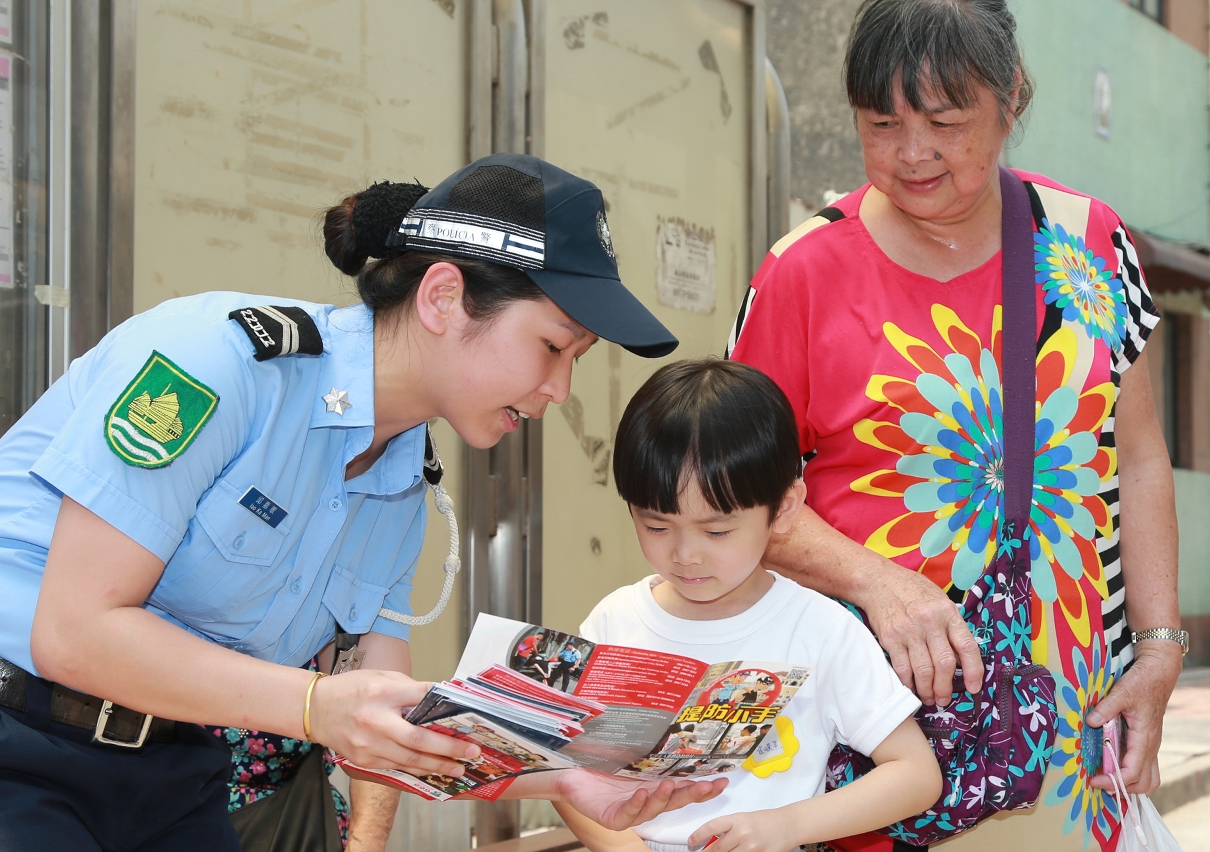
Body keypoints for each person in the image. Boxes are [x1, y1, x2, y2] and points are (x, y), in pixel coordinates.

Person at [0, 153, 728, 851]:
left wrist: (573, 781)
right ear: (444, 297)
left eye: (578, 361)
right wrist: (316, 707)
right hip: (20, 741)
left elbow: (388, 721)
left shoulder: (401, 481)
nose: (559, 391)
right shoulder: (215, 364)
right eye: (551, 346)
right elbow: (73, 631)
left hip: (172, 770)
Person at [727, 2, 1185, 849]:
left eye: (945, 120)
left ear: (1011, 96)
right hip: (877, 739)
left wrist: (1158, 649)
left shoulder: (1089, 241)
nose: (912, 153)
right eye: (882, 123)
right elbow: (723, 496)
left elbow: (1141, 456)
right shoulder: (800, 276)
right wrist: (876, 581)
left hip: (1074, 734)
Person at [555, 359, 942, 852]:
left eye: (716, 531)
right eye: (656, 525)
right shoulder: (614, 622)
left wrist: (786, 826)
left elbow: (914, 775)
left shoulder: (818, 628)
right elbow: (566, 772)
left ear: (783, 508)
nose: (685, 553)